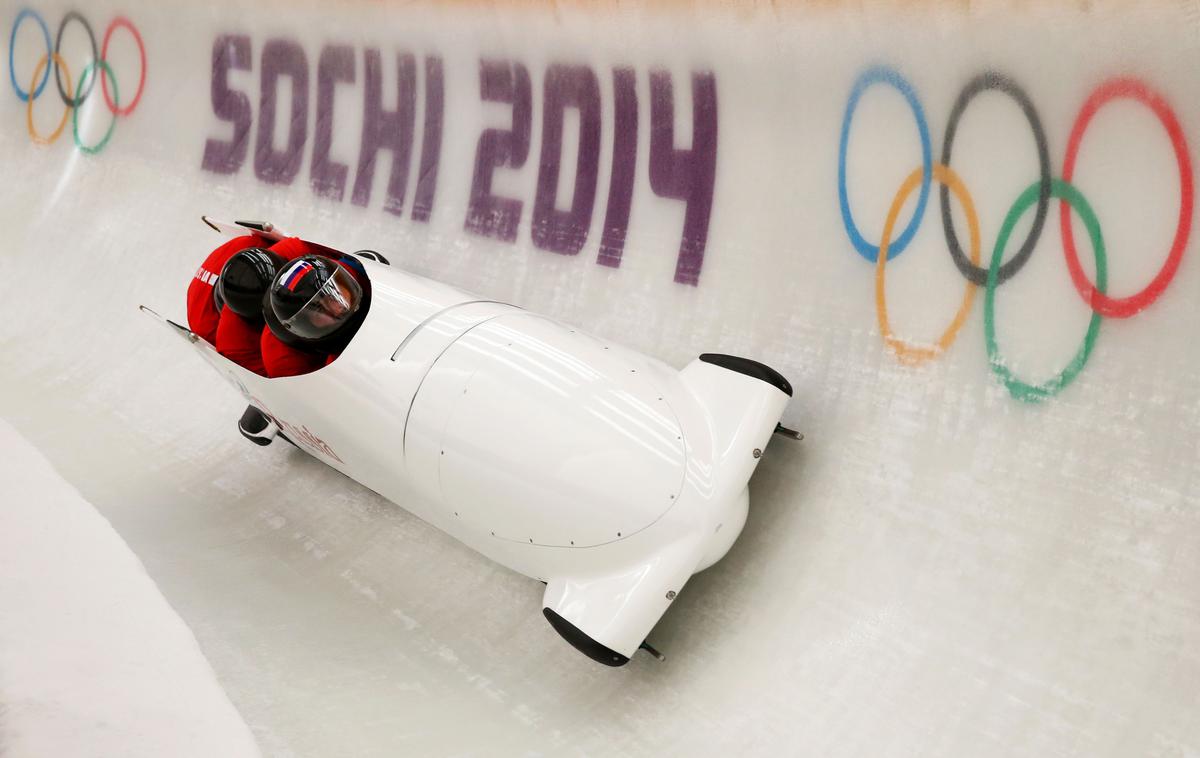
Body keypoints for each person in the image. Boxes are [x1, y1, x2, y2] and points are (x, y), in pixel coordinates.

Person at [261, 254, 370, 378]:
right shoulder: (336, 373)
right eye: (317, 307)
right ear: (305, 325)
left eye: (332, 292)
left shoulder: (352, 268)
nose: (336, 307)